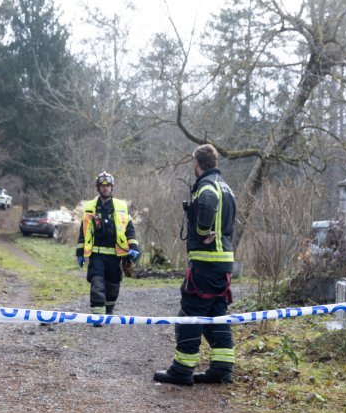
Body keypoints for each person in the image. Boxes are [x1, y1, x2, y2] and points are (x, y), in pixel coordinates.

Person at [154, 144, 237, 386]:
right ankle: (222, 368)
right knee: (216, 313)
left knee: (190, 313)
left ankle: (182, 370)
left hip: (206, 263)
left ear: (197, 163)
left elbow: (208, 203)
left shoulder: (208, 186)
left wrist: (202, 231)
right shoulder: (226, 186)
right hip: (223, 265)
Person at [75, 171, 139, 325]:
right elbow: (83, 231)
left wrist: (134, 247)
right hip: (96, 254)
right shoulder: (90, 207)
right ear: (98, 188)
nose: (105, 188)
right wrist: (80, 252)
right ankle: (97, 317)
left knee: (113, 284)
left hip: (115, 255)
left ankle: (108, 311)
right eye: (102, 186)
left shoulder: (121, 206)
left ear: (112, 187)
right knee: (97, 283)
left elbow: (129, 228)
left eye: (108, 185)